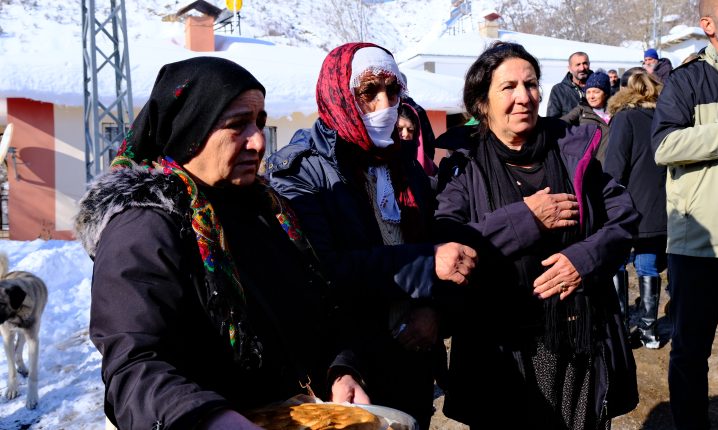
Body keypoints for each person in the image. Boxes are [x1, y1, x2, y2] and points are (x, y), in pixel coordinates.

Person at [75, 57, 342, 429]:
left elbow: (317, 311)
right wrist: (207, 418)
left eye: (260, 122)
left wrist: (341, 369)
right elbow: (134, 366)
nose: (259, 140)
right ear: (190, 130)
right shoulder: (143, 226)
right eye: (237, 124)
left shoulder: (269, 210)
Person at [267, 42, 477, 428]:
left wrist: (432, 310)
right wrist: (426, 265)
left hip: (411, 357)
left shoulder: (403, 164)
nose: (385, 104)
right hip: (344, 366)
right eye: (369, 92)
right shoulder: (302, 171)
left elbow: (435, 239)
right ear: (339, 95)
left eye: (392, 90)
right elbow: (324, 270)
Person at [435, 41, 639, 429]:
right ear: (482, 103)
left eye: (530, 84)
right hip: (501, 350)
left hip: (578, 341)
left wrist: (584, 260)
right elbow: (449, 242)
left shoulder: (570, 149)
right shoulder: (464, 165)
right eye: (508, 87)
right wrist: (527, 219)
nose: (524, 97)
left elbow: (623, 216)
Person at [651, 0, 718, 427]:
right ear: (707, 23)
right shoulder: (688, 80)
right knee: (691, 350)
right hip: (700, 243)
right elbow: (664, 147)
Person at [604, 71, 666, 349]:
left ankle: (621, 326)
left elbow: (615, 165)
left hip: (627, 205)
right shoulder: (666, 117)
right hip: (659, 205)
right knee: (648, 265)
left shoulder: (625, 118)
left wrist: (606, 198)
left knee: (618, 262)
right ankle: (649, 332)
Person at [561, 71, 612, 161]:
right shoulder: (582, 110)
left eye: (596, 92)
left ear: (605, 94)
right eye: (588, 92)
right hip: (588, 163)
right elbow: (561, 122)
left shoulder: (615, 112)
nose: (591, 96)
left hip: (611, 163)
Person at [546, 51, 592, 118]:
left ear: (589, 65)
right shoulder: (559, 90)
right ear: (570, 68)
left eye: (585, 63)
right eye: (578, 64)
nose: (582, 68)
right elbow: (552, 119)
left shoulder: (600, 86)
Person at [398, 103, 437, 176]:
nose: (406, 134)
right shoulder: (381, 162)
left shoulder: (427, 165)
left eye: (410, 130)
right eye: (399, 129)